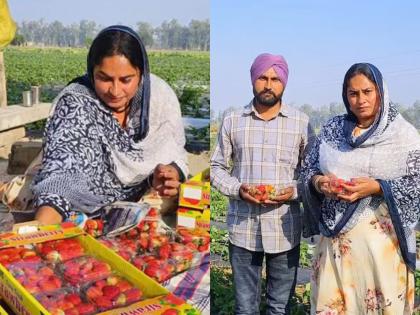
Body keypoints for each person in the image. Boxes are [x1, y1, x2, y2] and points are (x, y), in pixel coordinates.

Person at [30, 25, 188, 225]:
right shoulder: (76, 103)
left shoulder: (159, 98)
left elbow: (176, 154)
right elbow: (62, 174)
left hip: (142, 198)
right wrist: (41, 232)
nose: (115, 90)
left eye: (126, 80)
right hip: (80, 208)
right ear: (91, 71)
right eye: (104, 78)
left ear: (141, 74)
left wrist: (167, 174)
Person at [301, 63, 419, 314]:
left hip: (381, 247)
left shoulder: (402, 134)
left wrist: (377, 187)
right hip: (333, 243)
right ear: (345, 96)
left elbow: (417, 182)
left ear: (381, 92)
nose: (360, 100)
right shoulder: (332, 129)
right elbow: (308, 169)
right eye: (353, 94)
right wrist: (321, 183)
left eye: (367, 92)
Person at [211, 53, 313, 315]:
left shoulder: (301, 123)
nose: (269, 84)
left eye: (275, 79)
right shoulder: (233, 120)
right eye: (263, 78)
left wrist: (295, 191)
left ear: (284, 83)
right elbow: (216, 167)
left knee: (279, 308)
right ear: (253, 79)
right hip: (243, 228)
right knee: (245, 308)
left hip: (285, 230)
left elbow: (312, 174)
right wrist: (238, 190)